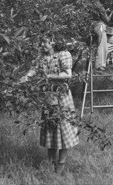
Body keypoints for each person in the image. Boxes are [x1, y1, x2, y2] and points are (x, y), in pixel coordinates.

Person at [20, 36, 79, 174]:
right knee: (50, 130)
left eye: (45, 42)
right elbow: (34, 69)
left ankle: (61, 164)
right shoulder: (41, 57)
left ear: (53, 42)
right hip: (48, 97)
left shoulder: (63, 54)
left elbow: (68, 74)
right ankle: (50, 164)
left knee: (64, 130)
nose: (42, 44)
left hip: (62, 97)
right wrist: (26, 77)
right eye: (41, 42)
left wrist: (49, 76)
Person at [91, 0, 113, 71]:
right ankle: (99, 65)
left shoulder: (95, 7)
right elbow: (107, 20)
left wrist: (105, 12)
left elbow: (101, 15)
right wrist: (111, 13)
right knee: (102, 45)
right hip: (100, 27)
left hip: (98, 27)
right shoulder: (101, 8)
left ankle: (98, 53)